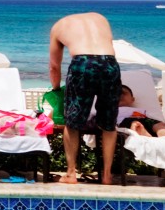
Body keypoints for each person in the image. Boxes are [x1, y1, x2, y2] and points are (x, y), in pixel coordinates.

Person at [50, 12, 120, 185]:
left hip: (82, 63)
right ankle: (107, 175)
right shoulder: (100, 18)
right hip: (110, 64)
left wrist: (56, 89)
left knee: (72, 122)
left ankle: (71, 173)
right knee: (108, 123)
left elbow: (54, 66)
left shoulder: (59, 26)